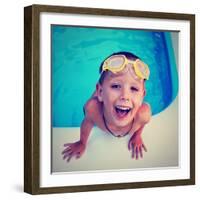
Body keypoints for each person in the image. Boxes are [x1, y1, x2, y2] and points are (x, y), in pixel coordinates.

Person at [62, 51, 151, 162]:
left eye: (134, 89)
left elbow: (142, 123)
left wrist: (137, 135)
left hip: (107, 97)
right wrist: (82, 142)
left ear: (142, 96)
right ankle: (100, 92)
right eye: (116, 86)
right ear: (100, 91)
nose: (125, 96)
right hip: (98, 100)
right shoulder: (94, 110)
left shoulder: (144, 114)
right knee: (88, 106)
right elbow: (87, 122)